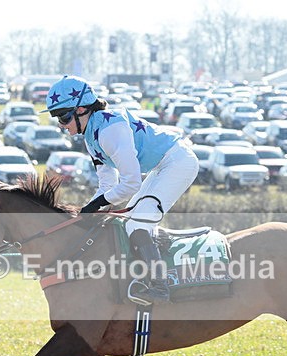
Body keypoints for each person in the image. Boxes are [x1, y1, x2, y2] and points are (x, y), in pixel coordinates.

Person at [42, 75, 199, 303]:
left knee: (138, 223)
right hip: (162, 165)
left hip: (179, 162)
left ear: (82, 110)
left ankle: (160, 287)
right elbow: (107, 185)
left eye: (64, 117)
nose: (61, 125)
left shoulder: (109, 130)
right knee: (129, 222)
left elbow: (131, 183)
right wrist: (89, 209)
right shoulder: (91, 136)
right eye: (57, 118)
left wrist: (98, 204)